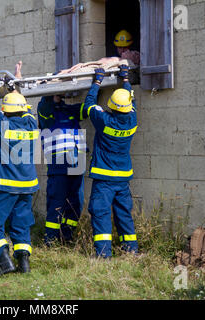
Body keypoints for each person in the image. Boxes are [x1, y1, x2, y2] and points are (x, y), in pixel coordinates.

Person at [0, 75, 40, 277]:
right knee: (21, 224)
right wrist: (15, 84)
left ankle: (4, 262)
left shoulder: (2, 123)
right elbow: (22, 106)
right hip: (27, 185)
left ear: (4, 110)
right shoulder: (32, 124)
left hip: (4, 185)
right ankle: (24, 264)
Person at [81, 65, 139, 259]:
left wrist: (97, 82)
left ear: (112, 106)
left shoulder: (104, 120)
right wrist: (125, 79)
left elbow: (89, 104)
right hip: (122, 178)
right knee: (124, 214)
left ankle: (103, 255)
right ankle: (131, 251)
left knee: (101, 214)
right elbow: (131, 98)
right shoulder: (132, 119)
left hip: (104, 178)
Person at [37, 93, 86, 246]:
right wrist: (52, 92)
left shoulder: (69, 110)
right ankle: (50, 240)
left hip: (77, 163)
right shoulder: (46, 113)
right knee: (56, 204)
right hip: (58, 166)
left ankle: (67, 236)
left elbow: (88, 109)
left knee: (76, 203)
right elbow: (45, 104)